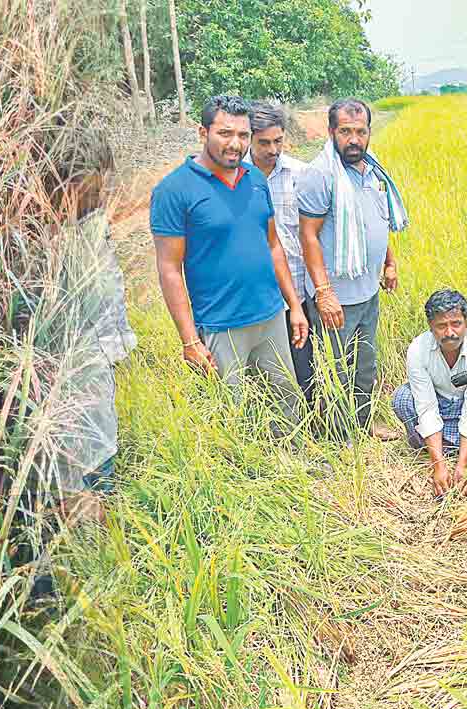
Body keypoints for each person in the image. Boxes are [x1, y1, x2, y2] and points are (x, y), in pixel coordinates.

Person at [150, 95, 309, 429]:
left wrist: (293, 305)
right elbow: (169, 269)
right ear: (202, 132)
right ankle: (246, 475)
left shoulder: (254, 179)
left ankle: (294, 464)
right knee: (232, 417)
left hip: (270, 317)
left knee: (286, 405)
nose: (235, 144)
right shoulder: (175, 190)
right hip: (221, 325)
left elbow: (273, 245)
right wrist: (190, 340)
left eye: (243, 135)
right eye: (225, 133)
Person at [297, 97, 409, 439]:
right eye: (346, 131)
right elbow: (308, 235)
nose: (354, 139)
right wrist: (323, 292)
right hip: (337, 299)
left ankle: (362, 424)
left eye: (360, 131)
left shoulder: (371, 169)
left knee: (365, 367)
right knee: (337, 370)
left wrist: (389, 262)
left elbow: (377, 220)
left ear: (369, 133)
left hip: (368, 292)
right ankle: (340, 436)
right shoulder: (321, 175)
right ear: (332, 132)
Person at [46, 128, 136, 524]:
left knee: (99, 471)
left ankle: (97, 537)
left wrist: (118, 344)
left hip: (95, 382)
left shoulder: (93, 225)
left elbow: (109, 289)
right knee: (70, 484)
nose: (102, 193)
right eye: (93, 183)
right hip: (58, 393)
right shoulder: (41, 242)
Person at [392, 290, 467, 497]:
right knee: (402, 398)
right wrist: (438, 466)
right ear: (431, 327)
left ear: (466, 323)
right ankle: (447, 449)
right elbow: (426, 407)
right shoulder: (417, 349)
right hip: (438, 404)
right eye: (441, 326)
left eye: (456, 324)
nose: (450, 332)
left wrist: (462, 467)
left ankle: (453, 448)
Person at [245, 101, 315, 402]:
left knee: (304, 368)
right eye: (264, 142)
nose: (273, 149)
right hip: (255, 296)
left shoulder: (301, 174)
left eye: (278, 141)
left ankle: (313, 424)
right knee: (262, 375)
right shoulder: (234, 178)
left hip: (299, 292)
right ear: (248, 138)